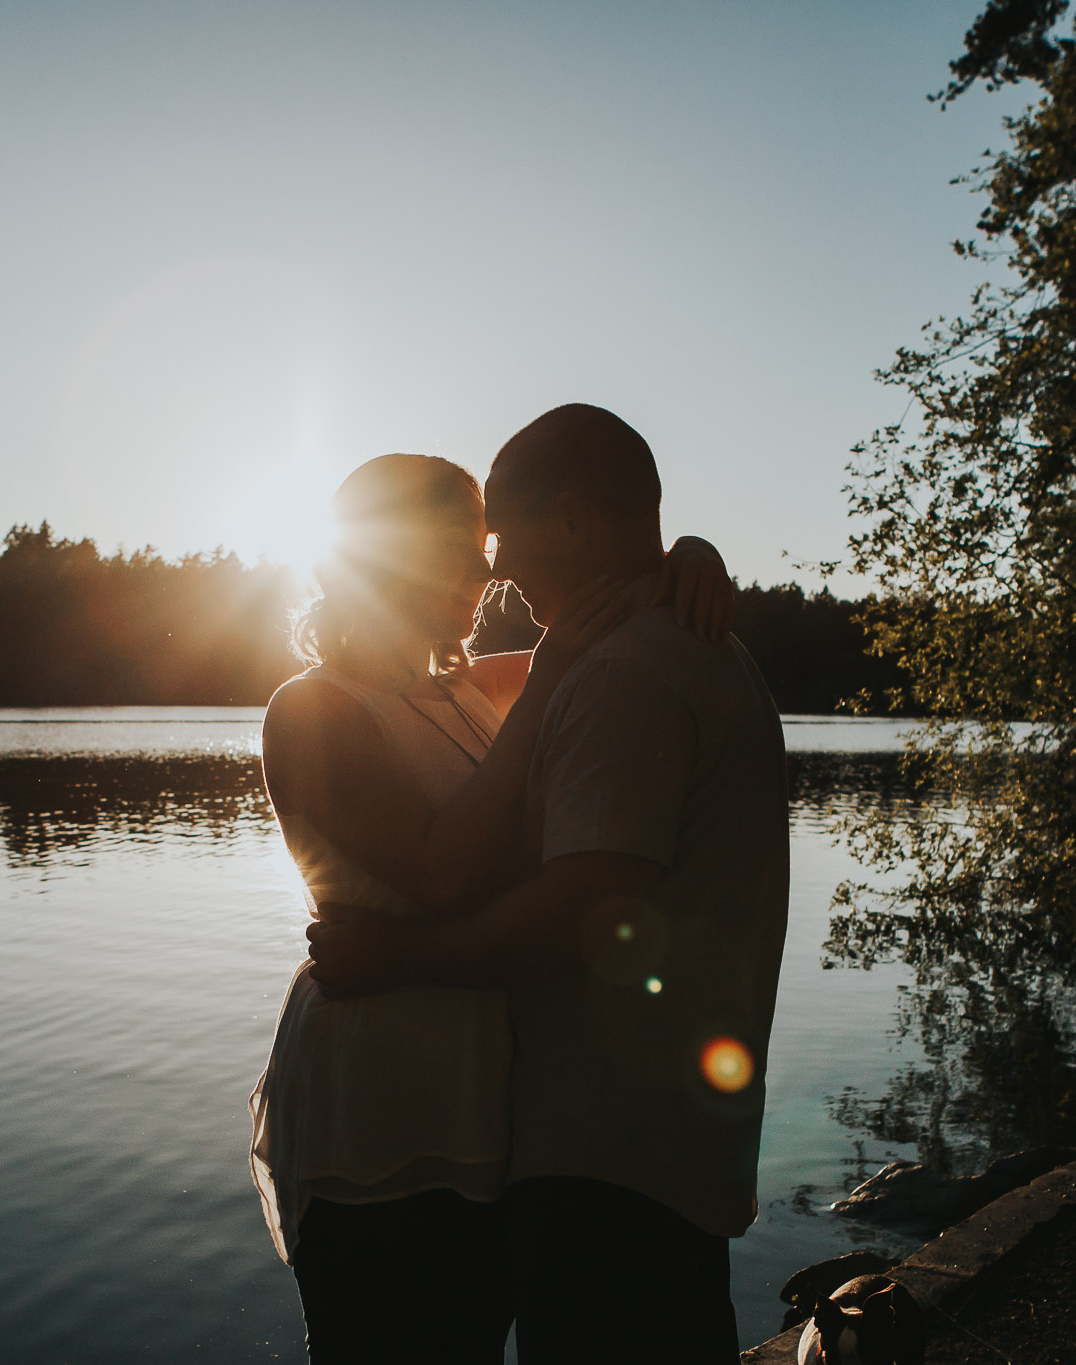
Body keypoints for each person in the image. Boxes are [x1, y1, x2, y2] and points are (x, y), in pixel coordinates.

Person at [307, 405, 790, 1363]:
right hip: (483, 1109)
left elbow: (579, 910)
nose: (492, 569)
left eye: (497, 538)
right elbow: (459, 856)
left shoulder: (601, 671)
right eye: (465, 545)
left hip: (599, 1143)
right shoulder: (591, 665)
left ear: (569, 519)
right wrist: (669, 559)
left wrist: (683, 554)